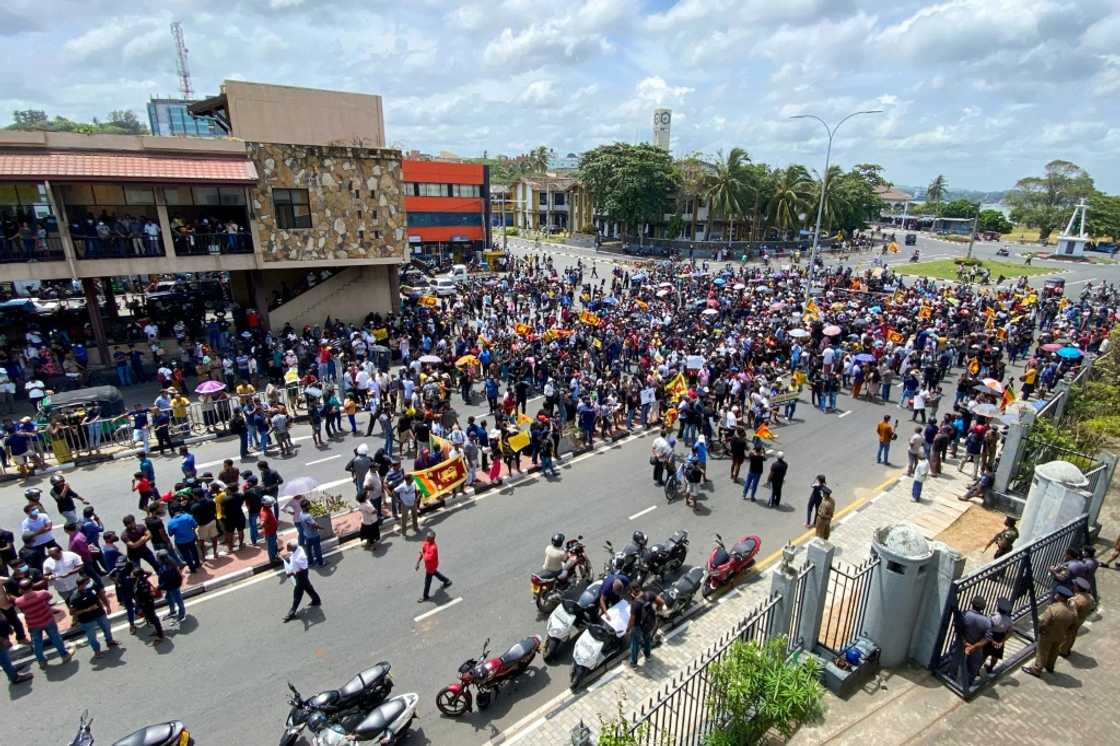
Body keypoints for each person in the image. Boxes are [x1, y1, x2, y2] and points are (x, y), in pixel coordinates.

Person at [14, 579, 74, 667]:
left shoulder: (19, 601)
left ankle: (41, 661)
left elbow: (22, 609)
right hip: (48, 620)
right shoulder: (42, 593)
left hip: (33, 624)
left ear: (21, 589)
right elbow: (50, 596)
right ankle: (64, 655)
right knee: (56, 638)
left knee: (37, 643)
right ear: (32, 586)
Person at [1023, 586, 1077, 678]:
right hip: (1061, 635)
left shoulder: (1052, 609)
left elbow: (1044, 622)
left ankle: (1037, 669)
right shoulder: (1071, 612)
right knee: (1054, 650)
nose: (1056, 595)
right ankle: (1050, 666)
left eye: (1058, 594)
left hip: (1048, 634)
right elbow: (1073, 626)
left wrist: (1041, 630)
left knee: (1042, 651)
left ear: (1061, 597)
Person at [68, 574, 119, 659]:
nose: (90, 583)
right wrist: (87, 609)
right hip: (87, 619)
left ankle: (110, 641)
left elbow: (101, 595)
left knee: (107, 627)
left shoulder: (91, 588)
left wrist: (107, 606)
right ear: (82, 584)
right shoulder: (75, 597)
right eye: (87, 583)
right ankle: (97, 651)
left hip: (99, 613)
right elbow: (72, 613)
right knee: (92, 636)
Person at [282, 540, 321, 622]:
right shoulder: (297, 549)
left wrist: (292, 573)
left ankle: (292, 612)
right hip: (299, 574)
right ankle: (316, 600)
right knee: (308, 587)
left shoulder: (300, 557)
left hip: (301, 575)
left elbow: (303, 569)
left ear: (292, 547)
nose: (286, 548)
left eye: (288, 547)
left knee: (297, 594)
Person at [959, 595, 992, 687]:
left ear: (972, 603)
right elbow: (987, 638)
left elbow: (958, 629)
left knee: (955, 660)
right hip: (976, 649)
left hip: (961, 644)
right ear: (983, 608)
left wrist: (965, 643)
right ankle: (967, 685)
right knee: (973, 668)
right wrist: (974, 647)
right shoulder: (987, 621)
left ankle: (952, 677)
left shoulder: (965, 614)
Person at [1058, 577, 1093, 658]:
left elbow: (1071, 613)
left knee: (1067, 635)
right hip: (1082, 619)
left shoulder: (1074, 600)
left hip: (1073, 620)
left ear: (1077, 588)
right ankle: (1067, 648)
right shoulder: (1090, 597)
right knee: (1073, 634)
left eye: (1074, 585)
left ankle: (1063, 651)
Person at [627, 587, 661, 667]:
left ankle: (633, 663)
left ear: (633, 592)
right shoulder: (649, 594)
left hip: (638, 626)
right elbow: (661, 602)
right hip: (649, 624)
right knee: (647, 639)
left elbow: (632, 620)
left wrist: (628, 628)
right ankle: (648, 656)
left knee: (635, 643)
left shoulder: (635, 604)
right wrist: (657, 611)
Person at [415, 530, 452, 602]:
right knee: (436, 573)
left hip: (431, 566)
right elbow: (422, 553)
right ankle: (447, 581)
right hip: (430, 566)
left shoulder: (433, 548)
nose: (426, 538)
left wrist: (423, 554)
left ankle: (425, 596)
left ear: (432, 539)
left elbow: (427, 558)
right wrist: (418, 563)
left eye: (428, 538)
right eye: (427, 537)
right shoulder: (426, 543)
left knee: (427, 582)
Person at [0, 613, 32, 685]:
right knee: (4, 659)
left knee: (5, 656)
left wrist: (8, 627)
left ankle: (12, 670)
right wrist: (2, 640)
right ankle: (15, 678)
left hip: (3, 635)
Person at [167, 507, 201, 573]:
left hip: (180, 542)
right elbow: (195, 525)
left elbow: (170, 534)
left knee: (186, 555)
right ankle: (198, 564)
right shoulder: (188, 516)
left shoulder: (171, 522)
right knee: (194, 551)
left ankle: (192, 569)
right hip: (191, 538)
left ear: (172, 512)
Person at [156, 550, 186, 622]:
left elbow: (168, 580)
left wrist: (160, 587)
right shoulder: (168, 561)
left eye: (158, 558)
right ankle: (173, 612)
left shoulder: (167, 568)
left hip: (173, 586)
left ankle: (182, 615)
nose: (157, 559)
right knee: (168, 597)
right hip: (170, 585)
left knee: (178, 600)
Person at [259, 496, 280, 563]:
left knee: (274, 544)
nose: (271, 505)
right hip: (270, 532)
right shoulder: (265, 513)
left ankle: (276, 552)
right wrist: (269, 525)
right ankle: (273, 559)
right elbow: (262, 523)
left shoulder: (266, 509)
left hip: (273, 531)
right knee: (271, 547)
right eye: (270, 504)